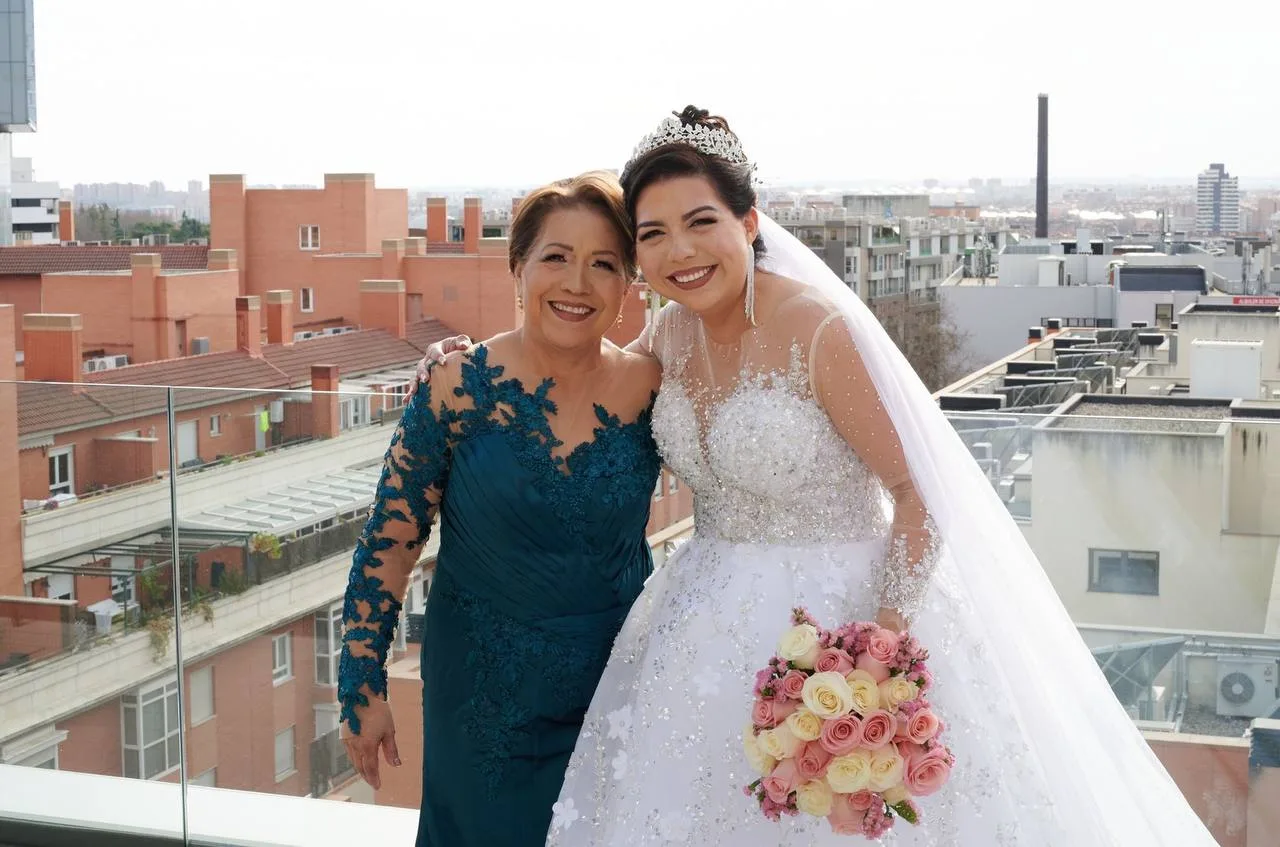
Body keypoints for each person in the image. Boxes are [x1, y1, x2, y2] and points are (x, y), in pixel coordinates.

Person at [417, 109, 1220, 845]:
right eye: (653, 234)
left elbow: (918, 497)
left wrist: (876, 650)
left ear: (750, 223)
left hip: (841, 615)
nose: (680, 252)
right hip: (700, 623)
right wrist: (464, 360)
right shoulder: (666, 336)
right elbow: (577, 379)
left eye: (702, 223)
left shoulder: (819, 331)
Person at [337, 170, 662, 847]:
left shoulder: (653, 385)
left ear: (629, 285)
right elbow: (389, 541)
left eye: (604, 264)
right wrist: (361, 684)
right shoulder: (455, 384)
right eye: (556, 257)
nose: (578, 282)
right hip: (484, 700)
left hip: (617, 688)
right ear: (517, 268)